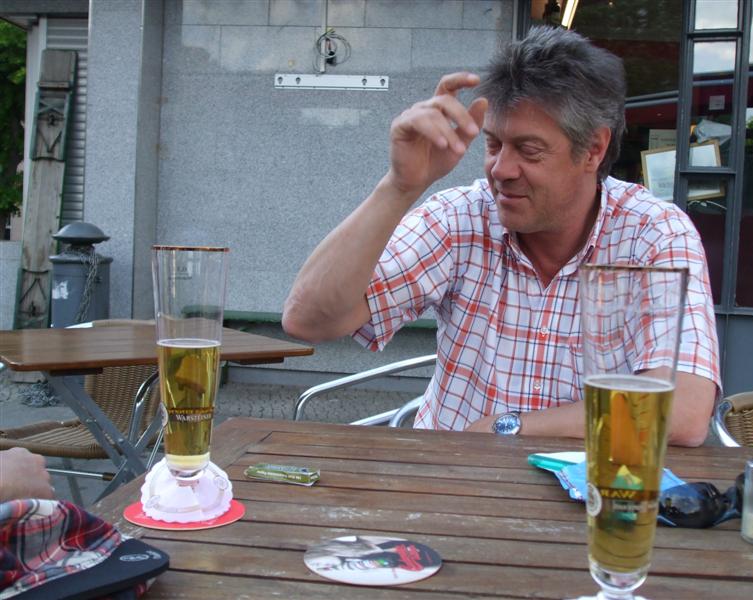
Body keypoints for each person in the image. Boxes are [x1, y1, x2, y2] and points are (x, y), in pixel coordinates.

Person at [283, 25, 720, 446]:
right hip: (449, 480)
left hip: (587, 489)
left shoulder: (652, 234)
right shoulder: (462, 217)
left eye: (528, 150)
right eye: (493, 145)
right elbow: (308, 320)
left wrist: (510, 427)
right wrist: (400, 187)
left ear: (593, 150)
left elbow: (685, 410)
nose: (501, 170)